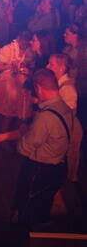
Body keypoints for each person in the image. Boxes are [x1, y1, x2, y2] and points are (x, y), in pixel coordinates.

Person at [0, 69, 74, 228]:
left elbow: (24, 148)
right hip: (59, 167)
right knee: (43, 207)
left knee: (27, 211)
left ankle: (25, 234)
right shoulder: (63, 107)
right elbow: (38, 133)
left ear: (39, 88)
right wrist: (2, 137)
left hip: (40, 171)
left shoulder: (45, 117)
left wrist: (19, 139)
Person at [47, 54, 82, 182]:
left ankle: (69, 182)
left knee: (71, 156)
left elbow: (67, 113)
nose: (47, 66)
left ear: (61, 68)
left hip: (71, 128)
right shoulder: (58, 83)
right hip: (64, 126)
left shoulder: (67, 88)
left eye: (51, 64)